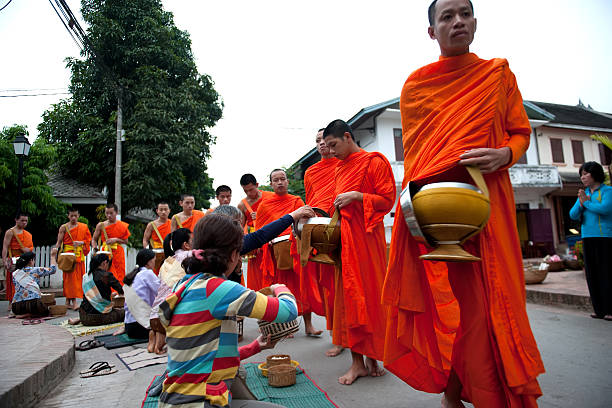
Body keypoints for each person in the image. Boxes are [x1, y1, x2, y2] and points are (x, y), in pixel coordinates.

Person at [382, 1, 545, 406]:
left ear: (475, 22)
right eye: (447, 17)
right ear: (431, 31)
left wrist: (504, 155)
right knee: (450, 307)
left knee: (494, 304)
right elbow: (419, 154)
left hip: (490, 206)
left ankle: (486, 392)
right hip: (440, 214)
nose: (458, 22)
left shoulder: (497, 75)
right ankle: (454, 393)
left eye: (465, 14)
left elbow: (519, 131)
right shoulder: (417, 85)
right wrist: (416, 212)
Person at [158, 214, 297, 408]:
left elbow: (208, 356)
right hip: (199, 402)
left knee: (237, 373)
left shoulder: (185, 285)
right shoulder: (217, 289)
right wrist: (280, 287)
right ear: (233, 255)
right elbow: (288, 311)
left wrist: (255, 347)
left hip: (175, 400)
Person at [322, 119, 396, 385]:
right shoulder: (340, 169)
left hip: (368, 241)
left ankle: (373, 358)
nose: (330, 151)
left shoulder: (375, 162)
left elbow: (387, 200)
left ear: (347, 137)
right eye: (327, 146)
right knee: (350, 299)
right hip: (347, 242)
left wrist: (357, 196)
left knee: (371, 297)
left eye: (333, 145)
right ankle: (357, 363)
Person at [257, 169, 322, 336]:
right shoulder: (265, 205)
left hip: (297, 250)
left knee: (303, 287)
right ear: (271, 184)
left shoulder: (297, 201)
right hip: (278, 254)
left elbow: (307, 222)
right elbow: (260, 231)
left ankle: (309, 325)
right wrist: (269, 242)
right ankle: (287, 326)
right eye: (276, 180)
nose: (279, 182)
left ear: (287, 182)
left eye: (282, 179)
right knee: (282, 290)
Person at [303, 128, 343, 357]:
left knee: (345, 285)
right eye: (317, 140)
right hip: (320, 231)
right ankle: (337, 336)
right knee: (329, 287)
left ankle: (349, 336)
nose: (321, 144)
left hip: (341, 226)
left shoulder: (343, 165)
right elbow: (311, 200)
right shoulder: (311, 172)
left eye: (324, 140)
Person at [569, 161, 612, 320]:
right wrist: (581, 203)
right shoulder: (584, 193)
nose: (583, 177)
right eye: (581, 174)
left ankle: (610, 309)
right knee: (592, 274)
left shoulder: (608, 191)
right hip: (588, 238)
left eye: (586, 173)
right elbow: (572, 214)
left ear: (595, 174)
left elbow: (605, 209)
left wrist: (586, 202)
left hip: (605, 238)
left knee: (606, 273)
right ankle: (599, 310)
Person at [149, 228, 193, 354]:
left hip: (154, 314)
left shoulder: (166, 262)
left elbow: (159, 285)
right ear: (186, 245)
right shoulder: (188, 255)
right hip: (167, 315)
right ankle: (161, 340)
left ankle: (154, 335)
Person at [53, 207, 91, 310]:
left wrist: (81, 242)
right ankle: (73, 302)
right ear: (68, 216)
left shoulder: (84, 227)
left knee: (77, 280)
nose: (73, 218)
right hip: (68, 257)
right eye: (71, 216)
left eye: (75, 215)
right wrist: (55, 249)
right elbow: (59, 242)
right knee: (69, 280)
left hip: (78, 256)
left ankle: (67, 301)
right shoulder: (64, 227)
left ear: (78, 216)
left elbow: (88, 241)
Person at [76, 253, 125, 326]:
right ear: (105, 263)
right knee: (125, 313)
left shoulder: (87, 276)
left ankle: (78, 319)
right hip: (97, 317)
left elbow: (93, 295)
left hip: (83, 316)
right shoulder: (106, 276)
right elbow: (121, 290)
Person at [123, 249, 160, 341]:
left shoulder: (133, 275)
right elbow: (161, 292)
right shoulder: (147, 273)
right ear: (148, 262)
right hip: (141, 326)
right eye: (154, 261)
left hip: (129, 326)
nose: (155, 263)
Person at [11, 249, 58, 317]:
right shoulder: (35, 270)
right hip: (33, 305)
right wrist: (53, 256)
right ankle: (29, 314)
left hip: (16, 307)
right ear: (30, 261)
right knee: (45, 311)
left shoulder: (15, 273)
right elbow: (52, 270)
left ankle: (23, 314)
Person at [92, 203, 130, 284]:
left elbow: (126, 241)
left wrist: (116, 239)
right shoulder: (101, 225)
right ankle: (109, 294)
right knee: (105, 274)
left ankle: (118, 293)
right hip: (105, 252)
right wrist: (95, 248)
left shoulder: (122, 226)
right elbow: (94, 239)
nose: (109, 215)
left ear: (116, 212)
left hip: (118, 252)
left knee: (119, 274)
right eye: (107, 213)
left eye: (111, 213)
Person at [2, 213, 34, 307]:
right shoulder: (10, 232)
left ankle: (21, 302)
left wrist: (26, 250)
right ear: (16, 220)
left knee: (23, 281)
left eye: (26, 221)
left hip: (25, 260)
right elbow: (5, 246)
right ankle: (11, 302)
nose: (24, 223)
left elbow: (30, 248)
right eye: (22, 220)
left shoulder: (27, 234)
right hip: (14, 260)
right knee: (12, 282)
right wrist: (4, 260)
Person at [142, 201, 172, 274]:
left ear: (169, 211)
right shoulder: (151, 225)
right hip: (156, 254)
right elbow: (145, 240)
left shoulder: (172, 223)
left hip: (169, 253)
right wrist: (147, 252)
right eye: (161, 210)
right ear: (157, 211)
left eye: (165, 209)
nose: (163, 212)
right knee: (156, 273)